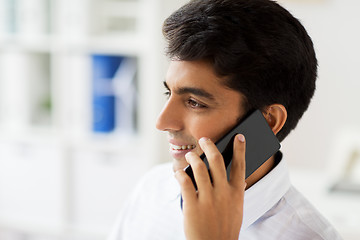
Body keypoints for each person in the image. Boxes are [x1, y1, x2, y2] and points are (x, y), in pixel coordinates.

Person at [108, 0, 342, 239]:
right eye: (169, 93)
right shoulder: (152, 190)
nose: (162, 122)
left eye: (195, 102)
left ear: (268, 121)